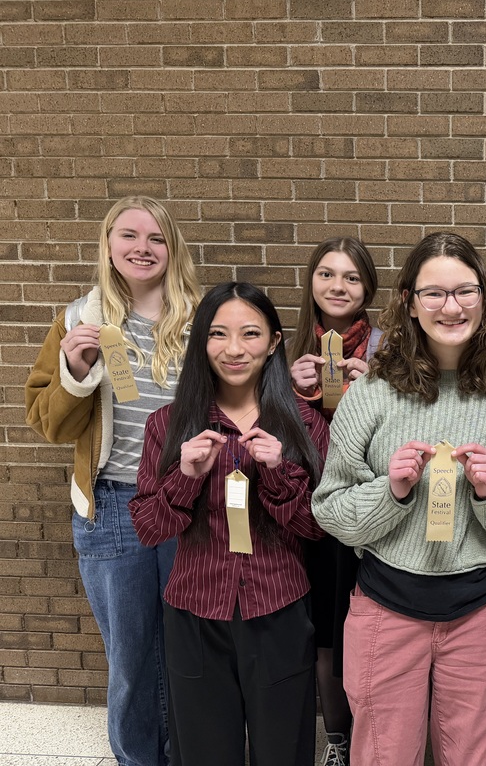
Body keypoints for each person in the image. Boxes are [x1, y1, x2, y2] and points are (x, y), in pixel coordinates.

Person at [312, 231, 486, 766]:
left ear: (484, 298)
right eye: (434, 294)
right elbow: (330, 509)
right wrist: (391, 492)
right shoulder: (371, 395)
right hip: (385, 610)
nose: (451, 307)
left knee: (477, 757)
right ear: (409, 302)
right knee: (383, 756)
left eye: (465, 291)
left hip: (481, 613)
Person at [25, 196, 200, 766]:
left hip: (187, 504)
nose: (142, 248)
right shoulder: (80, 320)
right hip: (113, 509)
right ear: (107, 244)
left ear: (172, 248)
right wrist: (75, 372)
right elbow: (47, 423)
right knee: (131, 658)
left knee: (190, 648)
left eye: (156, 238)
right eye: (128, 235)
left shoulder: (202, 320)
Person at [129, 283, 328, 766]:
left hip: (279, 609)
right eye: (218, 334)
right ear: (201, 341)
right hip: (196, 613)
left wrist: (278, 472)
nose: (234, 349)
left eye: (250, 334)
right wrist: (186, 477)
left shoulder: (305, 424)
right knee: (204, 752)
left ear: (275, 342)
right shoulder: (167, 424)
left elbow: (320, 528)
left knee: (283, 750)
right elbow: (149, 528)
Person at [288, 237, 382, 766]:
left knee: (369, 631)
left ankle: (375, 739)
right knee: (323, 632)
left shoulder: (388, 349)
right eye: (327, 274)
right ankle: (338, 742)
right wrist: (284, 388)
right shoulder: (285, 349)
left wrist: (379, 388)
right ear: (311, 281)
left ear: (368, 286)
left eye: (351, 276)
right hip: (305, 516)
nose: (338, 286)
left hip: (369, 513)